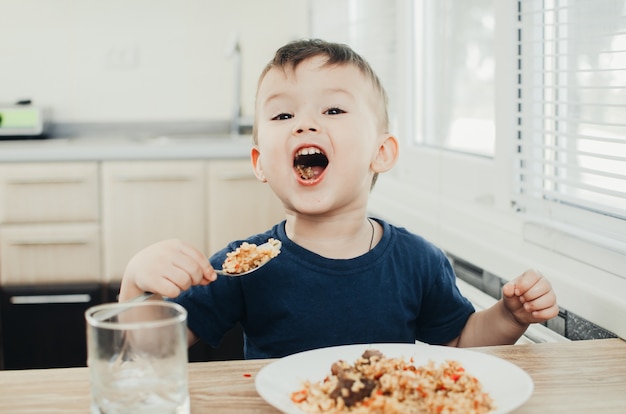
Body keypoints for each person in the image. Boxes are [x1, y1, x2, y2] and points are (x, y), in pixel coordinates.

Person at [119, 39, 558, 359]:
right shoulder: (244, 265)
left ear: (380, 153)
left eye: (332, 110)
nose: (304, 125)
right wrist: (136, 283)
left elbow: (462, 340)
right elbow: (151, 346)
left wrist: (509, 316)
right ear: (260, 163)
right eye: (283, 114)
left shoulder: (418, 261)